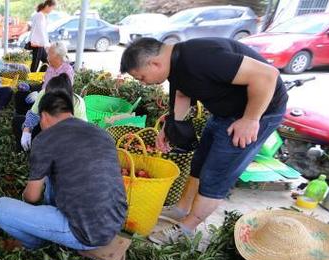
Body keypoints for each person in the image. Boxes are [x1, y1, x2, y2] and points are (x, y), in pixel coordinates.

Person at [120, 37, 288, 244]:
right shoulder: (177, 64)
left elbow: (267, 75)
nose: (143, 83)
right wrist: (170, 127)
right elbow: (182, 96)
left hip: (256, 112)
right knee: (199, 163)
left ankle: (186, 228)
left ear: (155, 63)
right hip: (225, 112)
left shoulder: (200, 58)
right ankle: (181, 209)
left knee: (215, 173)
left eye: (141, 77)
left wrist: (251, 119)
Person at [0, 90, 127, 251]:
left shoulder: (45, 139)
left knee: (0, 208)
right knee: (55, 172)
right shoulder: (102, 133)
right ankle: (51, 217)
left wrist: (26, 200)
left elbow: (32, 197)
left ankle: (33, 243)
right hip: (115, 222)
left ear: (44, 116)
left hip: (86, 233)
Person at [15, 74, 86, 151]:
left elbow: (80, 132)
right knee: (17, 121)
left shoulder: (78, 104)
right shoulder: (43, 93)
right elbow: (33, 115)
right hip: (46, 129)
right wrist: (26, 131)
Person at [15, 40, 73, 114]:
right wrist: (30, 87)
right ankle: (22, 117)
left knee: (33, 106)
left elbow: (61, 92)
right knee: (20, 94)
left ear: (57, 56)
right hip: (43, 95)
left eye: (49, 53)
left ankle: (31, 121)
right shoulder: (50, 68)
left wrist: (40, 96)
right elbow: (44, 85)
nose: (47, 55)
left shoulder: (67, 71)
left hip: (54, 102)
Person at [28, 0, 56, 73]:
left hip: (39, 43)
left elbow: (42, 31)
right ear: (47, 6)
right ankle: (31, 81)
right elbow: (40, 31)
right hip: (37, 43)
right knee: (35, 65)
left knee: (46, 62)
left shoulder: (41, 15)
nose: (51, 10)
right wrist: (47, 44)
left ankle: (39, 77)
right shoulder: (40, 16)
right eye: (52, 8)